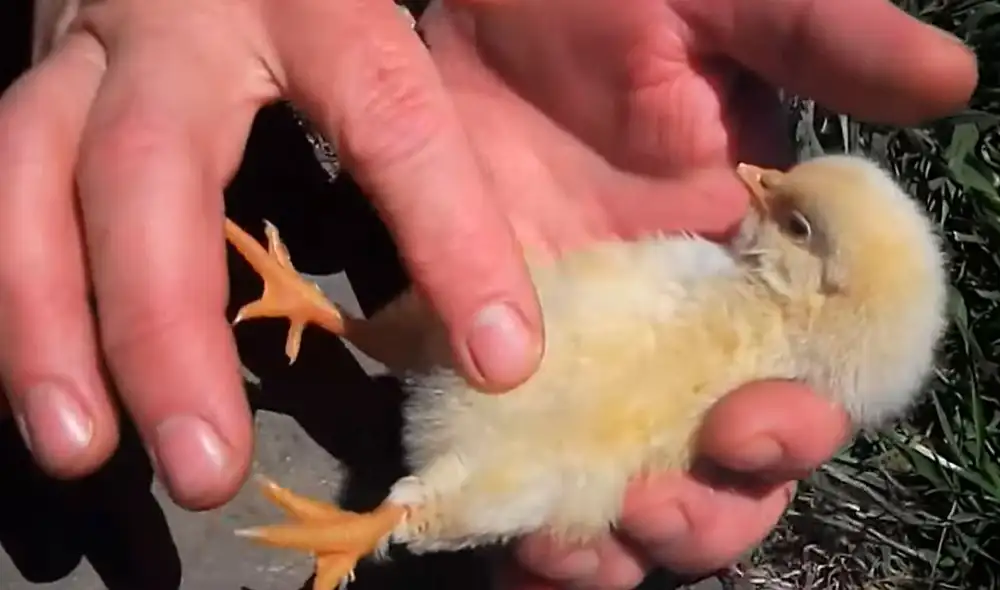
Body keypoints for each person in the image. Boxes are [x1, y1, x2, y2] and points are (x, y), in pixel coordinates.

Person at [0, 0, 976, 588]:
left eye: (792, 218)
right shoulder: (709, 282)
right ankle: (330, 323)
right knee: (473, 333)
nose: (759, 184)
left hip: (492, 438)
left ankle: (379, 520)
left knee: (530, 434)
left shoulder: (724, 340)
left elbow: (556, 464)